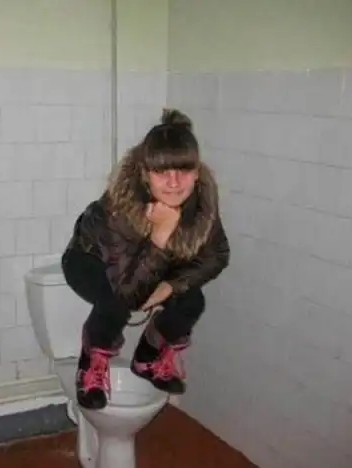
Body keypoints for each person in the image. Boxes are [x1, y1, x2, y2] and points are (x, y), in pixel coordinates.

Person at [61, 108, 230, 410]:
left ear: (197, 172)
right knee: (114, 302)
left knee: (192, 301)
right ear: (145, 173)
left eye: (184, 170)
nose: (174, 182)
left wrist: (170, 287)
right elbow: (129, 294)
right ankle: (91, 364)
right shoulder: (119, 208)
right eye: (162, 172)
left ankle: (147, 358)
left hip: (148, 264)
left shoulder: (202, 200)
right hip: (90, 260)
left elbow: (217, 255)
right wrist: (160, 234)